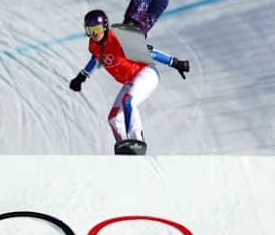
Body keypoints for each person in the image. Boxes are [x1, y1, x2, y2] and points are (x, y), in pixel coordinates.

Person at [68, 9, 189, 154]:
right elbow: (95, 59)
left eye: (97, 29)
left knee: (128, 102)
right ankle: (123, 147)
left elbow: (149, 52)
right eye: (90, 30)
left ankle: (137, 141)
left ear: (105, 27)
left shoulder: (119, 38)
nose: (94, 34)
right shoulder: (94, 45)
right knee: (113, 118)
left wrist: (175, 63)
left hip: (146, 73)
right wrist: (81, 77)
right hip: (130, 80)